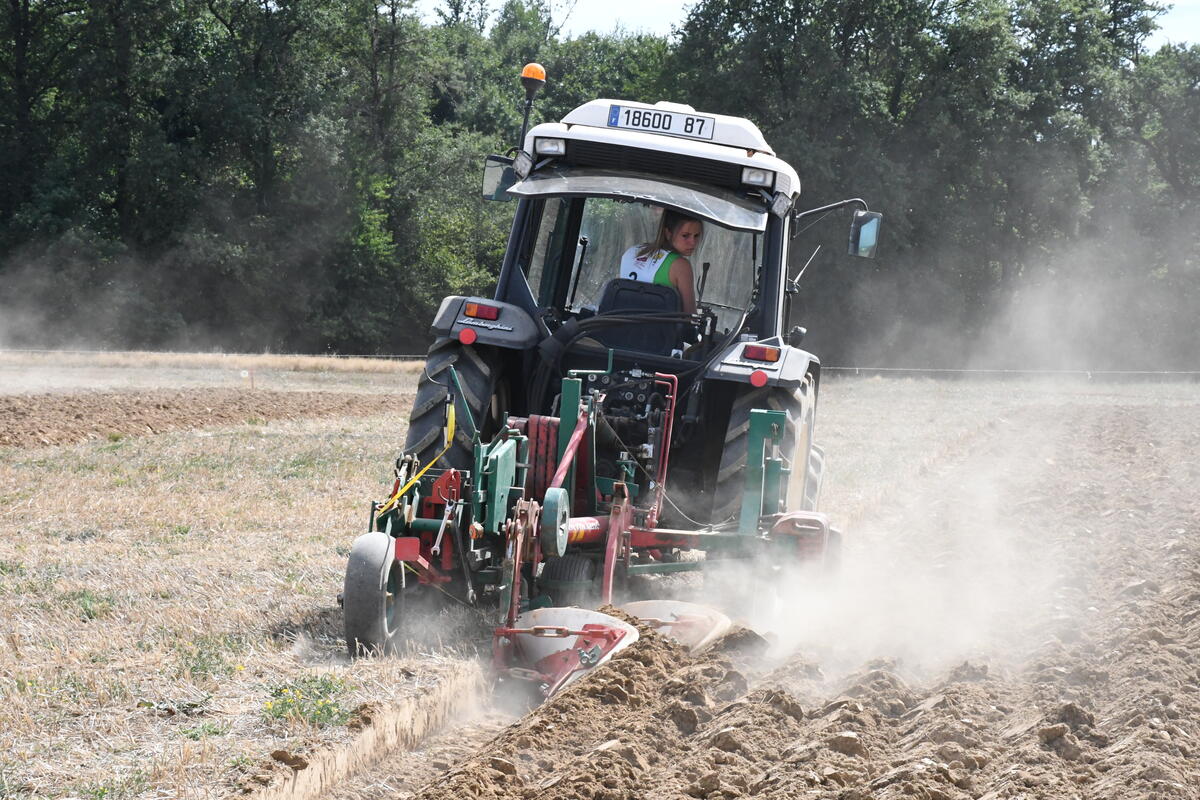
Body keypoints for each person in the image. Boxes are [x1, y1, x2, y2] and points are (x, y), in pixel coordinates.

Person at [618, 210, 700, 314]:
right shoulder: (681, 265)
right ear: (668, 233)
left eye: (696, 235)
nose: (692, 242)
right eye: (685, 235)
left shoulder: (632, 252)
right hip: (658, 329)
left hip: (621, 326)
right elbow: (689, 316)